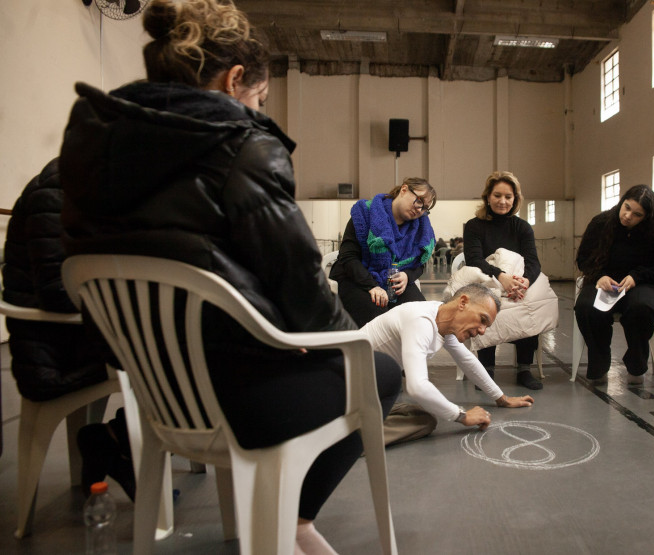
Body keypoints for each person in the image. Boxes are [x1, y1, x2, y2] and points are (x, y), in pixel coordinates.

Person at [57, 2, 401, 553]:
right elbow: (305, 298)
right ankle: (296, 522)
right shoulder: (241, 144)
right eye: (260, 99)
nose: (258, 109)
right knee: (379, 372)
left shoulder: (89, 143)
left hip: (152, 391)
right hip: (242, 395)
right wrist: (347, 345)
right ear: (236, 79)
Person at [2, 158, 134, 499]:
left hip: (80, 336)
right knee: (190, 353)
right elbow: (57, 290)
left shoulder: (92, 191)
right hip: (55, 350)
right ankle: (117, 439)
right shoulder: (56, 194)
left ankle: (115, 440)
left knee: (197, 345)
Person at [362, 284, 535, 429]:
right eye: (482, 320)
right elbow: (417, 386)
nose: (482, 331)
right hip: (351, 390)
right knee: (426, 421)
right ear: (463, 303)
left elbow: (467, 361)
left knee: (423, 414)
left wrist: (501, 398)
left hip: (369, 391)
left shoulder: (441, 318)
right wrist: (461, 415)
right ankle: (359, 438)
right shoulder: (421, 321)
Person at [574, 185, 654, 384]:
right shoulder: (600, 223)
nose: (628, 215)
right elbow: (583, 258)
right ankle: (599, 362)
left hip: (639, 284)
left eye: (637, 214)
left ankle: (636, 362)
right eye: (627, 207)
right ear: (622, 201)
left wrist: (636, 277)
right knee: (586, 308)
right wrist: (599, 276)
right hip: (602, 282)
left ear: (646, 217)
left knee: (642, 308)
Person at [462, 171, 551, 390]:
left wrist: (524, 283)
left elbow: (533, 262)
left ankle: (524, 368)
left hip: (517, 283)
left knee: (529, 303)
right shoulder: (474, 226)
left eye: (508, 197)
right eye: (497, 195)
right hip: (487, 280)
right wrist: (501, 277)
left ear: (515, 199)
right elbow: (474, 260)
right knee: (486, 303)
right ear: (488, 197)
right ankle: (487, 369)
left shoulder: (522, 227)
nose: (503, 201)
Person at [329, 177, 436, 326]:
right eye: (419, 201)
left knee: (421, 317)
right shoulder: (364, 214)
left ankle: (410, 349)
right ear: (404, 190)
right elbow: (348, 257)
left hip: (394, 282)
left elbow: (419, 263)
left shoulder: (420, 228)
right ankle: (372, 349)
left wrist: (407, 275)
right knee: (379, 317)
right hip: (356, 278)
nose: (420, 210)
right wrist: (372, 286)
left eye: (425, 208)